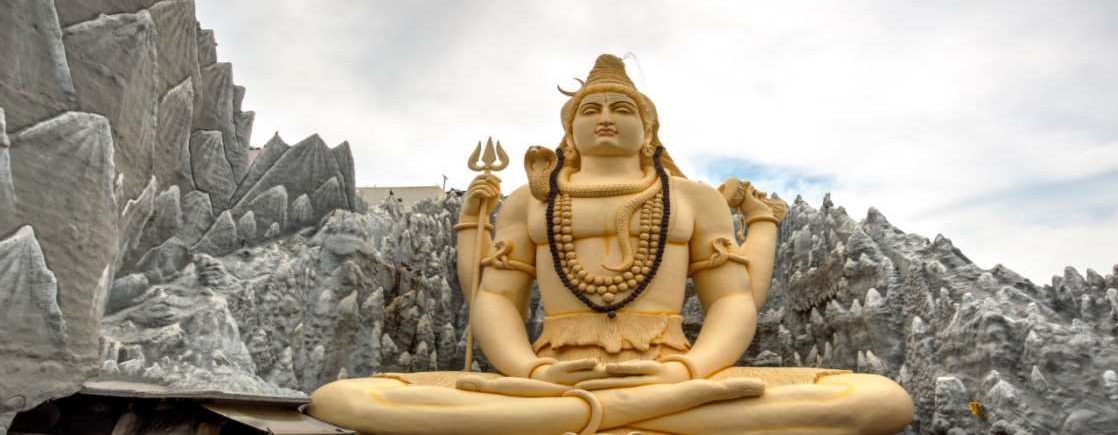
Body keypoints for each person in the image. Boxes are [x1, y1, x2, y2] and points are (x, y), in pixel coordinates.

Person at [307, 55, 913, 435]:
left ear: (648, 130)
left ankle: (578, 422)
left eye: (622, 108)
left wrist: (686, 369)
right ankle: (621, 420)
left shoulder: (693, 198)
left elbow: (733, 302)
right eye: (589, 108)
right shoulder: (529, 201)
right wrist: (530, 368)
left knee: (880, 402)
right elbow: (494, 301)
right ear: (568, 131)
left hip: (671, 372)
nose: (605, 116)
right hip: (551, 374)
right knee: (346, 399)